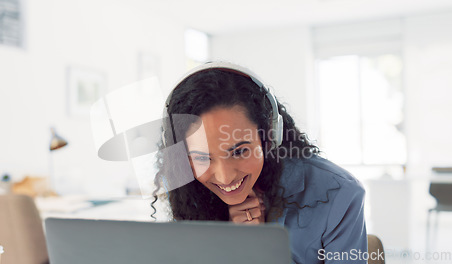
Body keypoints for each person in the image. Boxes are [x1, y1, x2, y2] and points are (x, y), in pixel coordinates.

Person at [151, 62, 368, 263]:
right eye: (201, 158)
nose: (225, 177)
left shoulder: (339, 194)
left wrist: (260, 251)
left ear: (269, 137)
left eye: (240, 151)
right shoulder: (186, 188)